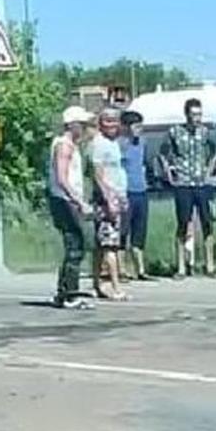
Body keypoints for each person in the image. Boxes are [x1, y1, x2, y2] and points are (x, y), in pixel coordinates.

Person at [159, 98, 216, 277]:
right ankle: (181, 266)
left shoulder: (205, 132)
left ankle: (209, 265)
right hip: (183, 183)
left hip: (202, 183)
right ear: (186, 115)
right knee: (183, 224)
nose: (197, 118)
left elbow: (215, 151)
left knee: (207, 223)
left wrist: (209, 170)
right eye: (193, 114)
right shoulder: (175, 132)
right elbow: (163, 153)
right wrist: (168, 173)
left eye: (199, 114)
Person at [48, 106, 96, 309]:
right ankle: (69, 294)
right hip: (64, 201)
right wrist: (80, 202)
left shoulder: (70, 146)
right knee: (75, 245)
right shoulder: (64, 146)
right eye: (82, 125)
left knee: (75, 244)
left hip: (65, 200)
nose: (84, 129)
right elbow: (61, 178)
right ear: (73, 125)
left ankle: (65, 291)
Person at [90, 108, 129, 301]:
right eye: (108, 121)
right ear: (101, 123)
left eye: (115, 121)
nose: (112, 125)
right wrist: (108, 199)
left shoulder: (113, 143)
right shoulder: (99, 144)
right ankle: (115, 287)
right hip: (105, 201)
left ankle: (97, 284)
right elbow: (98, 173)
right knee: (110, 245)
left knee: (101, 245)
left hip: (117, 196)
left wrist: (121, 197)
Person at [119, 110, 150, 280]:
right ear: (126, 127)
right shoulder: (120, 145)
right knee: (123, 232)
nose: (139, 129)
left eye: (141, 125)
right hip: (126, 192)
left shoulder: (143, 143)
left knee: (140, 231)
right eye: (136, 125)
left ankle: (141, 269)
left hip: (141, 191)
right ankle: (121, 269)